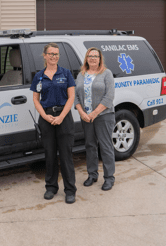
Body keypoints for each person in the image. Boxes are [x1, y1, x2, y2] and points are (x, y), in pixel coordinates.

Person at [30, 43, 77, 204]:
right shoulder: (39, 76)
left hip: (64, 117)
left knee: (65, 156)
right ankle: (51, 187)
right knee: (50, 155)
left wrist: (61, 116)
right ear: (44, 55)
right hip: (46, 118)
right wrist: (45, 115)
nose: (54, 57)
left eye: (56, 54)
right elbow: (36, 99)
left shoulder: (66, 73)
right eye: (51, 54)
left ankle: (70, 190)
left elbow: (71, 97)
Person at [74, 47, 116, 191]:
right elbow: (76, 97)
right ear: (86, 58)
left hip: (103, 116)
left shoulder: (106, 74)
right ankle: (92, 175)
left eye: (95, 56)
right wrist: (82, 113)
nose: (93, 58)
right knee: (90, 146)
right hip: (85, 117)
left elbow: (109, 97)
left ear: (100, 59)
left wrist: (93, 114)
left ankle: (109, 177)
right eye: (90, 56)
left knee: (105, 146)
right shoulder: (81, 75)